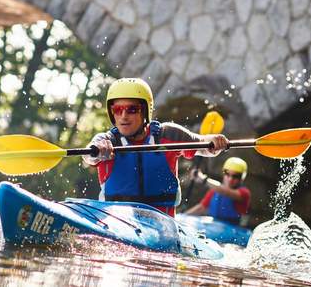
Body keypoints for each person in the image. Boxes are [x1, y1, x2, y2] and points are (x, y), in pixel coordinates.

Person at [82, 78, 228, 217]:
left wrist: (214, 142)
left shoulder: (169, 134)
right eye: (117, 110)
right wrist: (96, 151)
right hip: (116, 223)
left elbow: (202, 144)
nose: (123, 116)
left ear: (145, 111)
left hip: (161, 226)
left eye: (132, 109)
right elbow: (88, 155)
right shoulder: (106, 141)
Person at [185, 157, 251, 226]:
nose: (230, 179)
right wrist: (182, 216)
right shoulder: (214, 191)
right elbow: (201, 208)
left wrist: (203, 179)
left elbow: (225, 191)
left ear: (241, 178)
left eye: (235, 176)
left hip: (234, 229)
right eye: (227, 174)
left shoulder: (244, 193)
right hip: (215, 225)